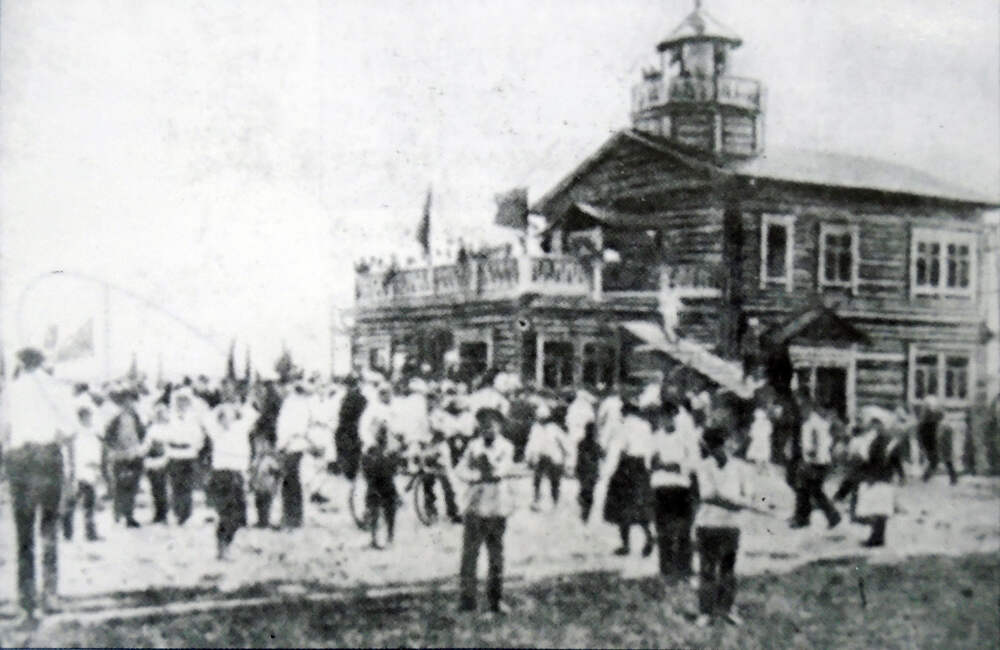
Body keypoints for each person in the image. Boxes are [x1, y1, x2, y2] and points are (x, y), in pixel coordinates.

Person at [2, 348, 75, 625]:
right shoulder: (57, 387)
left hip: (20, 459)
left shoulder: (12, 390)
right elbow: (70, 431)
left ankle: (26, 599)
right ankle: (50, 594)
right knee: (49, 528)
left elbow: (3, 432)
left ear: (21, 363)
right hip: (47, 458)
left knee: (24, 534)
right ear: (42, 362)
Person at [455, 408, 516, 615]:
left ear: (499, 426)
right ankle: (467, 600)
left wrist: (485, 467)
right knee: (469, 555)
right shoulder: (473, 446)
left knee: (496, 555)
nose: (487, 429)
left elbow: (501, 471)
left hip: (496, 506)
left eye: (491, 425)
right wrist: (475, 475)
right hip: (474, 505)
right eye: (483, 425)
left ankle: (495, 600)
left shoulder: (506, 447)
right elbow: (460, 469)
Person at [693, 427, 752, 628]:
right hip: (708, 524)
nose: (719, 450)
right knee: (707, 569)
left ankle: (727, 608)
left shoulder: (741, 468)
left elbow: (748, 495)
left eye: (722, 445)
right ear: (709, 448)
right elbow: (708, 495)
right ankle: (705, 611)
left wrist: (738, 502)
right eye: (714, 446)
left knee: (728, 569)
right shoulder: (703, 467)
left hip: (731, 525)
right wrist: (734, 502)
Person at [599, 383, 656, 557]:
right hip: (642, 466)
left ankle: (625, 544)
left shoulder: (623, 427)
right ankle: (648, 537)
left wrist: (608, 470)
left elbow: (619, 449)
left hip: (627, 466)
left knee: (621, 507)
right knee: (641, 507)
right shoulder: (645, 426)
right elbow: (650, 448)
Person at [649, 399, 696, 580]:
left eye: (670, 416)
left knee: (683, 529)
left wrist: (674, 465)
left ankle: (684, 568)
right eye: (663, 417)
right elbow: (650, 462)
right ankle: (666, 568)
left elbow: (692, 462)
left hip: (680, 487)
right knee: (663, 530)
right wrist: (666, 465)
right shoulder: (656, 437)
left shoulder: (685, 437)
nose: (666, 420)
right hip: (661, 486)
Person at [206, 401, 253, 559]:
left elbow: (251, 413)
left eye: (230, 415)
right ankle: (222, 548)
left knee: (239, 516)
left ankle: (226, 545)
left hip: (237, 474)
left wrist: (237, 407)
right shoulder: (215, 430)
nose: (226, 419)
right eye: (223, 416)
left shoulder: (240, 428)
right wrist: (221, 407)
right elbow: (208, 417)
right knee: (226, 513)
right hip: (221, 475)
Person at [789, 400, 841, 529]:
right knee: (810, 490)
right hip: (819, 460)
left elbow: (814, 442)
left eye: (804, 409)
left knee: (807, 489)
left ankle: (805, 518)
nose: (802, 412)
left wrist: (810, 457)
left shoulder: (813, 423)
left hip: (814, 461)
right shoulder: (819, 423)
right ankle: (809, 517)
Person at [104, 387, 149, 528]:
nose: (129, 404)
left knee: (133, 486)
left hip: (135, 455)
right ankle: (118, 514)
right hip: (120, 456)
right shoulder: (115, 419)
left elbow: (143, 435)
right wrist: (116, 449)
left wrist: (140, 449)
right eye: (126, 401)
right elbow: (108, 438)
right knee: (120, 486)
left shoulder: (137, 418)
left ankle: (129, 515)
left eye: (131, 401)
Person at [164, 388, 207, 525]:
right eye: (179, 400)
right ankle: (177, 513)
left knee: (187, 485)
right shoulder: (169, 416)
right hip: (174, 453)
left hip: (188, 454)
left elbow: (199, 436)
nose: (181, 403)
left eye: (184, 400)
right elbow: (164, 434)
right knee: (175, 485)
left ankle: (186, 514)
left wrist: (195, 448)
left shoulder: (193, 417)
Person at [275, 382, 315, 529]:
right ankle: (293, 517)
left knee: (290, 482)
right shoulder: (300, 404)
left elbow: (291, 428)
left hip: (292, 446)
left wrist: (282, 445)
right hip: (294, 445)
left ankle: (291, 517)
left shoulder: (293, 404)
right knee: (292, 482)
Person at [62, 404, 103, 542]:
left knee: (90, 503)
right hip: (78, 471)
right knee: (71, 502)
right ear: (80, 418)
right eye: (85, 417)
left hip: (90, 470)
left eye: (89, 416)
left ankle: (91, 533)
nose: (88, 419)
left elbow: (97, 451)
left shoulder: (93, 433)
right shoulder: (75, 433)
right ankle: (67, 533)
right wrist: (72, 470)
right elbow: (71, 453)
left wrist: (97, 467)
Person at [360, 422, 403, 548]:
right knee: (383, 511)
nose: (382, 437)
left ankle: (385, 537)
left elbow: (366, 467)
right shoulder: (375, 450)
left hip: (381, 484)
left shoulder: (381, 450)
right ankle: (382, 537)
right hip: (379, 484)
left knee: (384, 510)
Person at [524, 401, 569, 511]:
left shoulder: (554, 428)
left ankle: (555, 501)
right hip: (540, 457)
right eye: (540, 418)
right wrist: (528, 457)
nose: (542, 420)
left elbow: (565, 442)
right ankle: (536, 500)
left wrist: (567, 456)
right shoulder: (535, 428)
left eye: (543, 418)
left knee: (554, 481)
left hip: (553, 457)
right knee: (537, 479)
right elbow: (531, 443)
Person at [917, 396, 956, 484]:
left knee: (938, 459)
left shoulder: (934, 420)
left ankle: (925, 478)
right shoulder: (928, 421)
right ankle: (926, 478)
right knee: (937, 459)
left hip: (935, 436)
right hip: (932, 436)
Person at [144, 405, 171, 524]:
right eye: (158, 414)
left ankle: (164, 514)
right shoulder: (151, 429)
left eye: (162, 414)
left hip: (164, 460)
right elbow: (147, 444)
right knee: (155, 488)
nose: (160, 416)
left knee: (163, 488)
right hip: (152, 461)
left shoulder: (169, 428)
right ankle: (158, 514)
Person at [575, 421, 603, 522]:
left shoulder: (582, 443)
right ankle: (585, 513)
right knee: (588, 492)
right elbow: (602, 455)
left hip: (587, 472)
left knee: (587, 492)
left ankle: (585, 512)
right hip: (589, 472)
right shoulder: (594, 445)